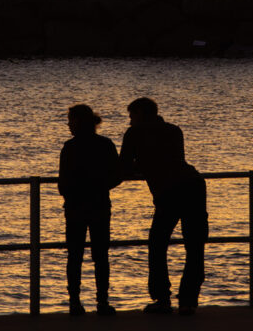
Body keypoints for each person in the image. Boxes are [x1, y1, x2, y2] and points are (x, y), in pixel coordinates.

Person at [119, 97, 208, 315]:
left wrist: (138, 166)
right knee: (194, 246)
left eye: (131, 116)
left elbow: (124, 167)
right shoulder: (174, 130)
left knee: (157, 244)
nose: (129, 121)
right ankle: (188, 301)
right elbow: (171, 159)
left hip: (168, 192)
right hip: (193, 185)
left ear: (139, 113)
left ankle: (162, 298)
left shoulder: (135, 133)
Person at [57, 103, 122, 316]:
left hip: (76, 207)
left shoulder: (70, 147)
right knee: (100, 255)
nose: (68, 125)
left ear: (79, 122)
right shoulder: (105, 145)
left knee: (75, 255)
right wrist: (100, 186)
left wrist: (74, 192)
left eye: (70, 120)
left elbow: (63, 184)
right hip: (99, 204)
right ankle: (102, 302)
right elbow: (116, 175)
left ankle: (74, 302)